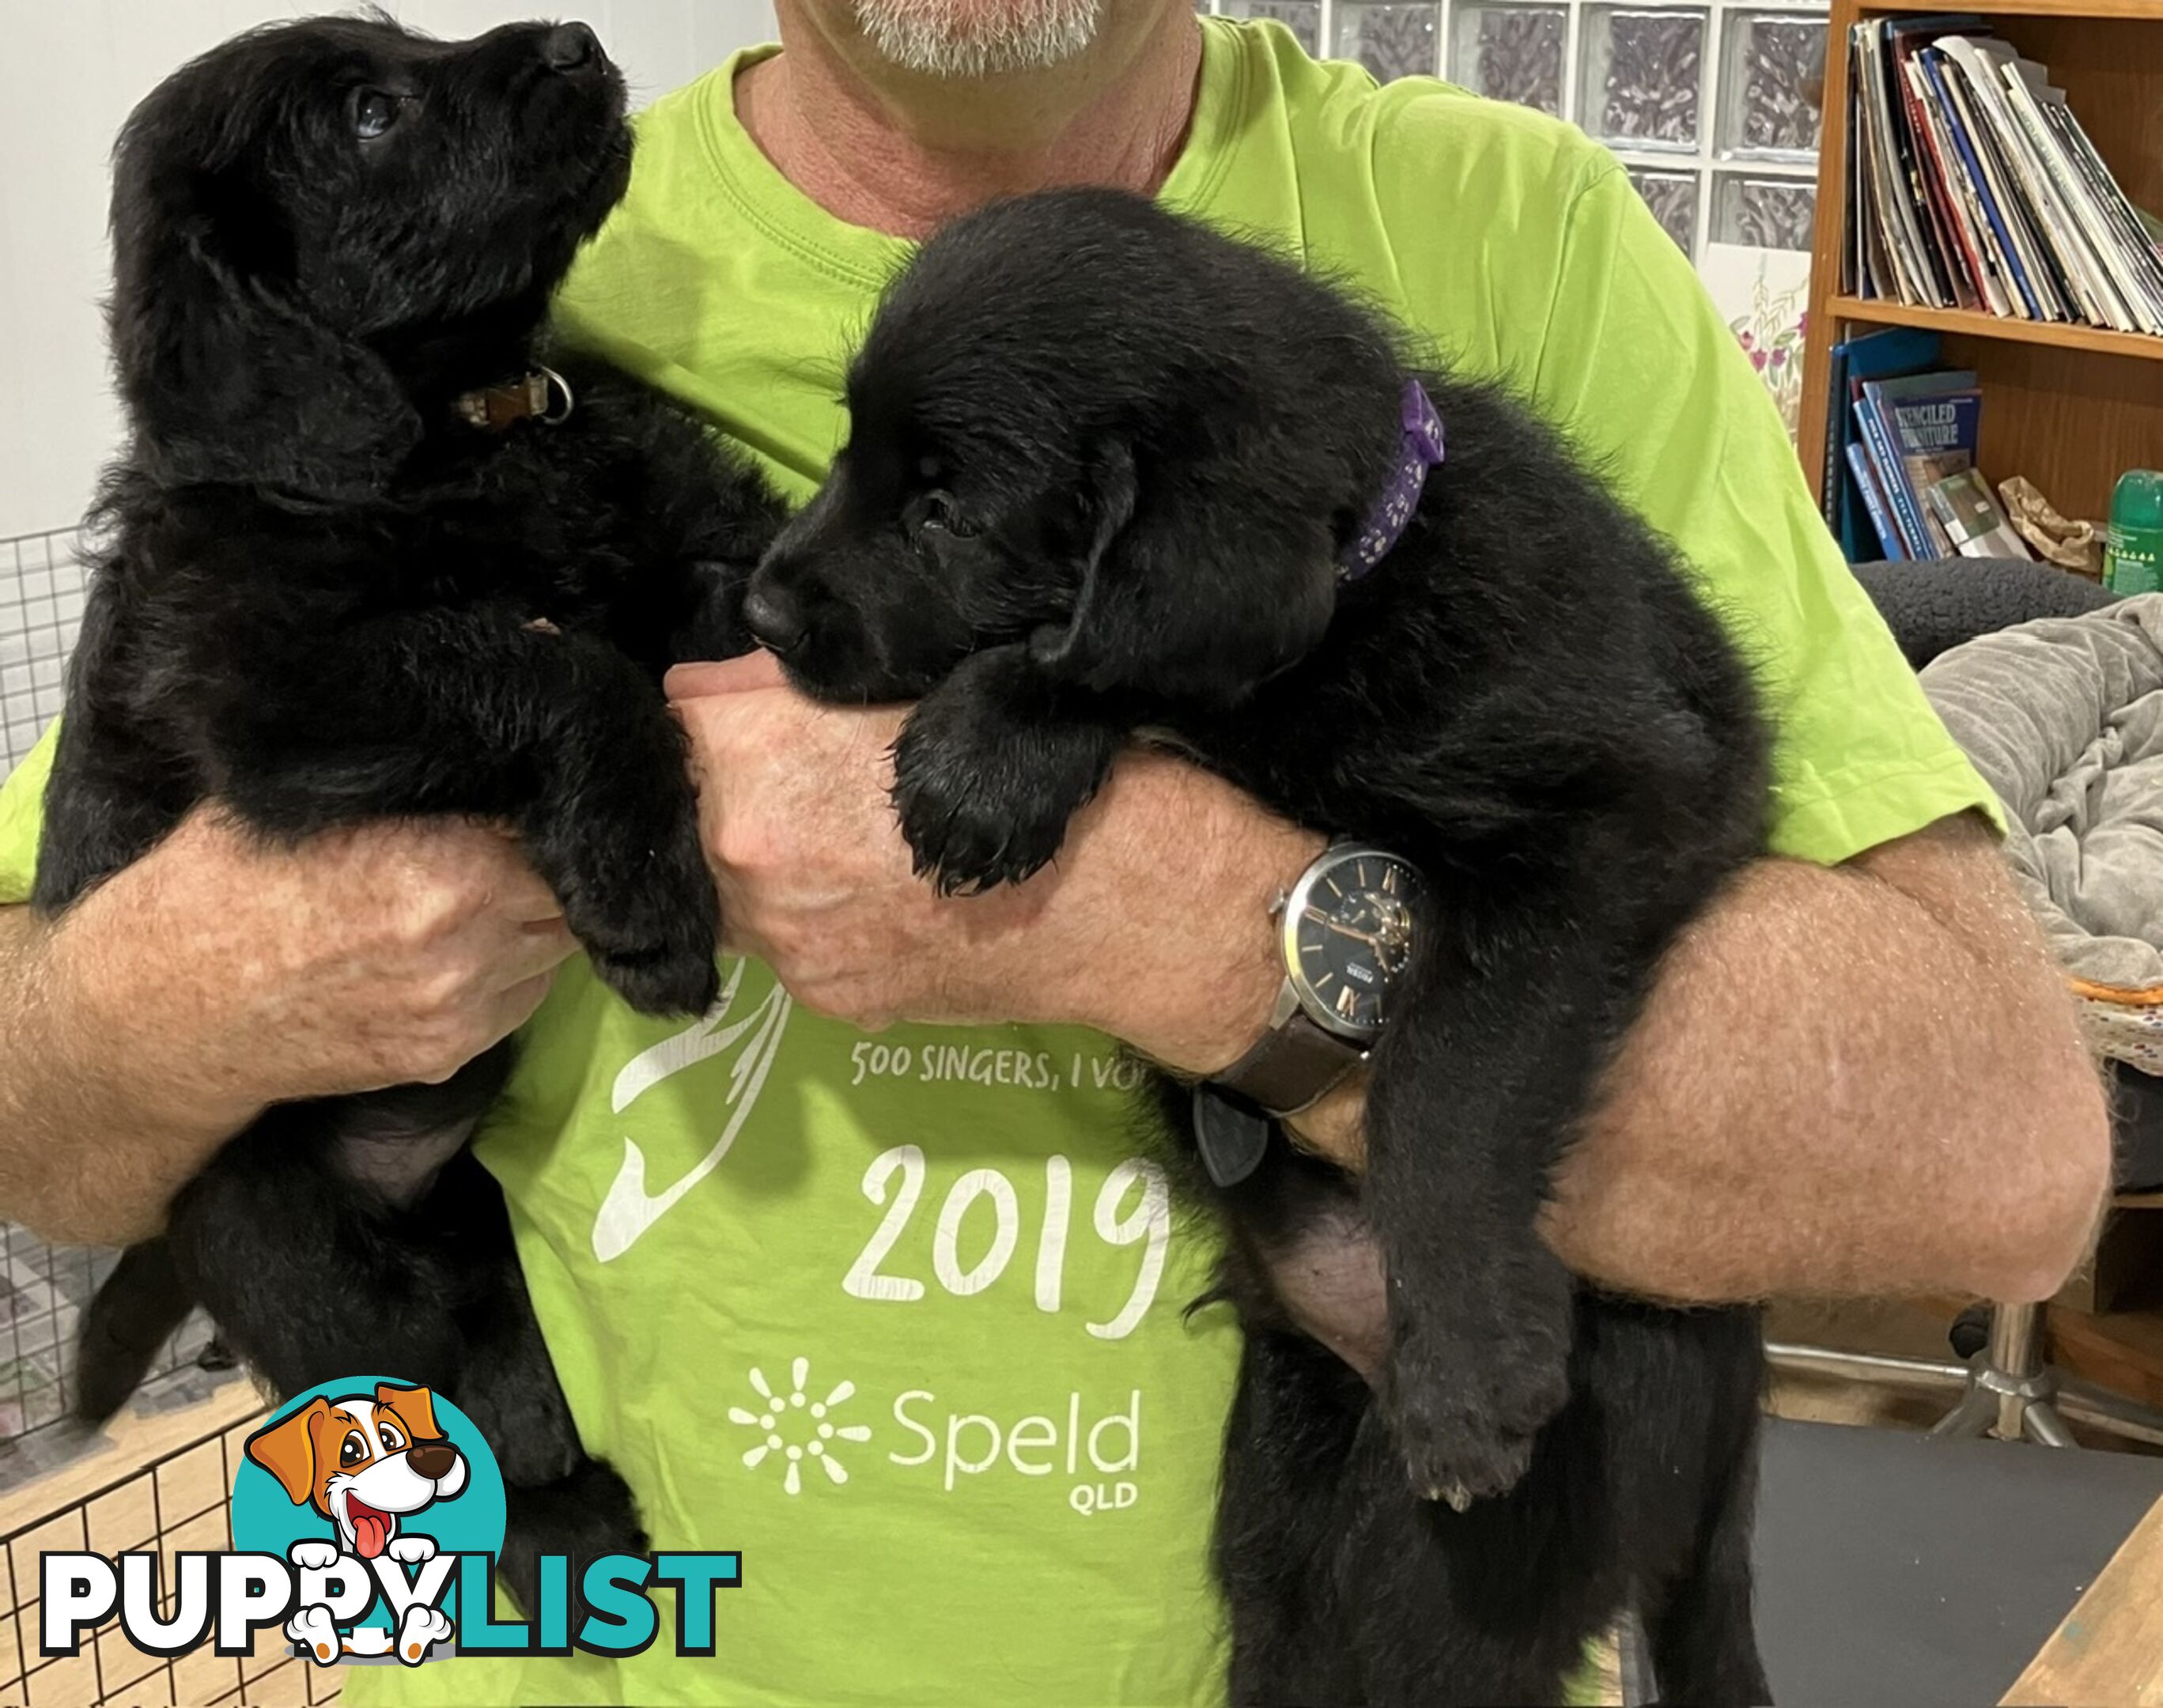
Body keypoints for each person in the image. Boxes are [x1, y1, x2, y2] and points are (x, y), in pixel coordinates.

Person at [0, 2, 2108, 1702]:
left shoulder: (1520, 242)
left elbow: (2005, 1165)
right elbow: (42, 1104)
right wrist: (195, 982)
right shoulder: (504, 291)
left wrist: (1182, 921)